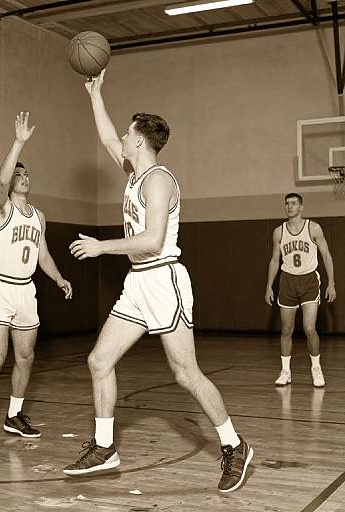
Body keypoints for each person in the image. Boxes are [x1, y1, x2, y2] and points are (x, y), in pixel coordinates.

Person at [64, 70, 253, 493]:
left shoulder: (160, 181)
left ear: (141, 141)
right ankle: (104, 446)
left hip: (164, 279)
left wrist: (100, 247)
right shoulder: (133, 172)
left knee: (185, 373)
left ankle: (234, 444)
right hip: (138, 282)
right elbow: (107, 137)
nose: (123, 139)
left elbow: (151, 239)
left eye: (129, 133)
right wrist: (95, 94)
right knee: (99, 361)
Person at [0, 112, 73, 452]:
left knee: (25, 357)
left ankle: (14, 415)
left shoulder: (38, 216)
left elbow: (42, 254)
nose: (23, 178)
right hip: (1, 288)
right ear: (11, 181)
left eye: (27, 174)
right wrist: (18, 143)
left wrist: (58, 278)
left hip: (27, 290)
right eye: (18, 174)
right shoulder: (0, 210)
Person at [265, 193, 336, 388]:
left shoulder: (313, 228)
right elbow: (274, 260)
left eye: (293, 203)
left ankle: (316, 368)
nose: (289, 206)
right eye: (287, 203)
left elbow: (327, 256)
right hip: (287, 281)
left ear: (301, 207)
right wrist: (269, 286)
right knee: (286, 330)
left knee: (309, 328)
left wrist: (331, 283)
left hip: (309, 281)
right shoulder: (279, 232)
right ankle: (286, 371)